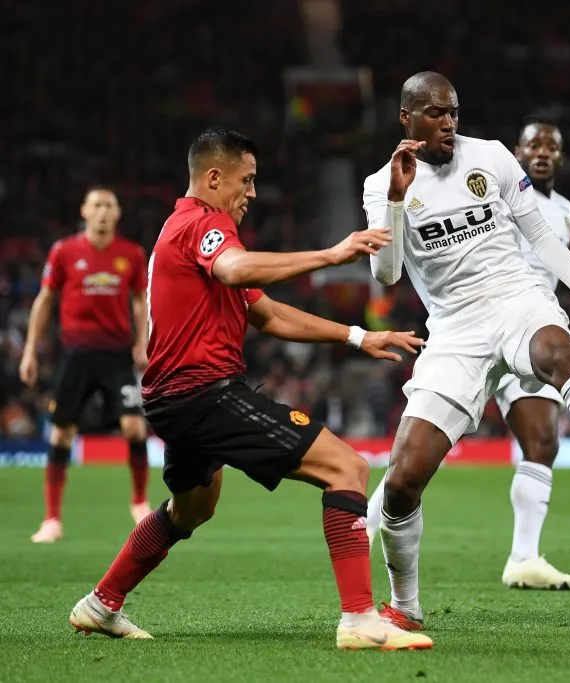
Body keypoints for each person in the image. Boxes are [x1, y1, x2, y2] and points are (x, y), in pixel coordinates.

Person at [67, 128, 433, 651]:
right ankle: (359, 619)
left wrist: (356, 335)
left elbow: (267, 312)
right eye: (248, 180)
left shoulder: (182, 230)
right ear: (214, 178)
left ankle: (102, 603)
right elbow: (236, 268)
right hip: (203, 394)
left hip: (173, 400)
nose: (253, 193)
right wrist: (330, 255)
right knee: (346, 466)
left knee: (191, 509)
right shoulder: (203, 223)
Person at [363, 72, 570, 631]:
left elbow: (542, 236)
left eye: (453, 112)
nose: (448, 123)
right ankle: (405, 607)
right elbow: (387, 274)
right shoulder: (382, 185)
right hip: (453, 329)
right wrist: (399, 201)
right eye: (435, 113)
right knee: (402, 479)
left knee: (559, 352)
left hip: (517, 297)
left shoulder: (492, 156)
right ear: (407, 119)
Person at [20, 187, 152, 542]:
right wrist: (30, 350)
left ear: (118, 212)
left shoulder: (132, 254)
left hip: (116, 356)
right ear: (84, 211)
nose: (103, 212)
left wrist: (142, 341)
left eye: (109, 205)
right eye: (96, 205)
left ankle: (139, 502)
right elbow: (45, 299)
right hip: (76, 355)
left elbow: (141, 301)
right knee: (62, 433)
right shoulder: (64, 251)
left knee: (134, 428)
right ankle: (51, 520)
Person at [494, 122, 570, 590]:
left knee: (544, 442)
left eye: (552, 146)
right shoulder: (502, 195)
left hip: (535, 327)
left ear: (560, 158)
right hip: (488, 317)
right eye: (533, 145)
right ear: (517, 151)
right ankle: (367, 521)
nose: (542, 152)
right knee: (431, 444)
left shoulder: (566, 211)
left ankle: (523, 558)